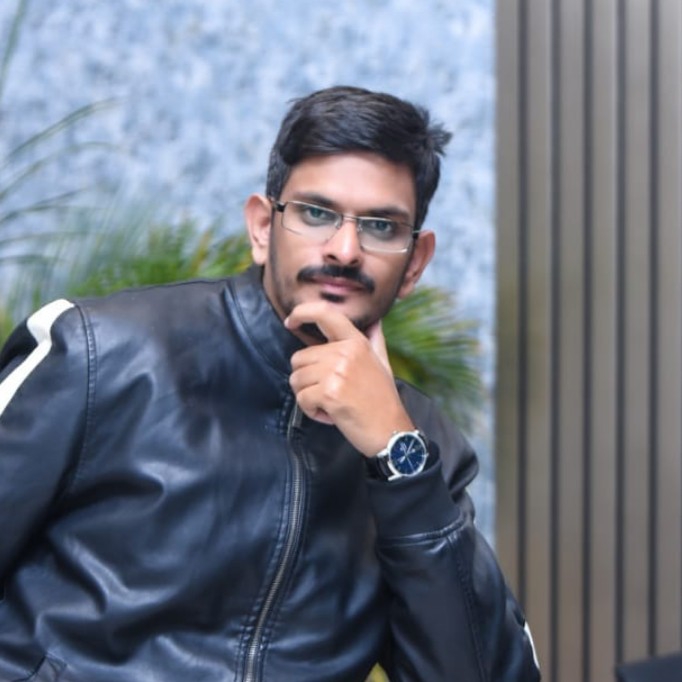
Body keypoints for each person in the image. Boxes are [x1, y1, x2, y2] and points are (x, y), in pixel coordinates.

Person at [0, 85, 540, 681]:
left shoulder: (418, 441)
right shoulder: (100, 353)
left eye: (382, 227)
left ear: (414, 262)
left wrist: (397, 458)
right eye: (316, 213)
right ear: (262, 227)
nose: (344, 250)